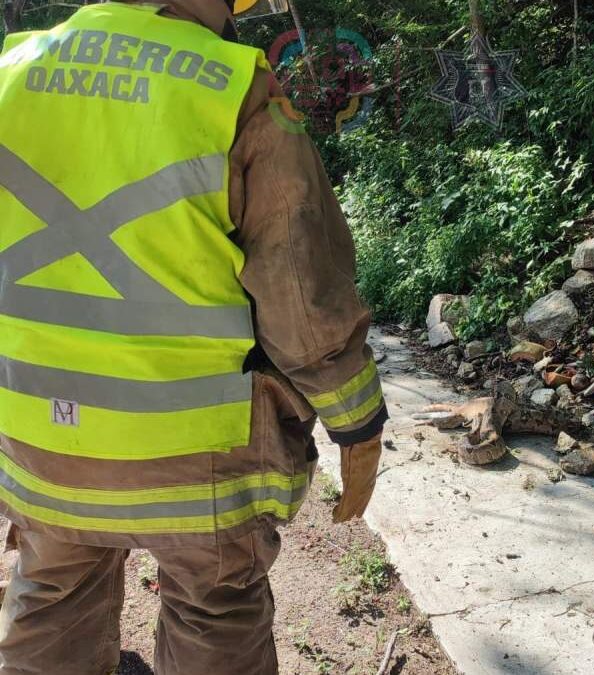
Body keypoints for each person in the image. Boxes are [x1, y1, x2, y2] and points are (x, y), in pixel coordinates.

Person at [0, 1, 387, 673]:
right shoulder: (240, 91)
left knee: (51, 601)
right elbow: (300, 292)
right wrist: (357, 420)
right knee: (215, 611)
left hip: (43, 448)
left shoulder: (12, 70)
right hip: (200, 460)